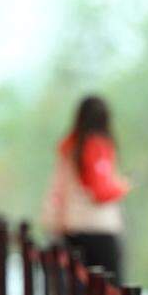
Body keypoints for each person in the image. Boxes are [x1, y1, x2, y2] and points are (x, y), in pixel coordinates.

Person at [42, 95, 128, 277]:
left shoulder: (68, 148)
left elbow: (57, 191)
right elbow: (101, 191)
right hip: (101, 230)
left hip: (72, 230)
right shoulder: (100, 147)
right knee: (109, 293)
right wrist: (123, 185)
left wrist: (55, 225)